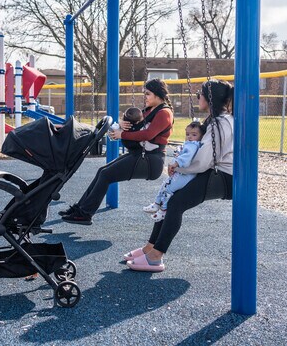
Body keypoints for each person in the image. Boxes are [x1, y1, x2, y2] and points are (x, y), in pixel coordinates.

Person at [125, 79, 234, 272]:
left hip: (224, 177)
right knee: (170, 200)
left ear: (209, 98)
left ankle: (156, 257)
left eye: (199, 93)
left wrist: (180, 167)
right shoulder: (216, 120)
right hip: (215, 172)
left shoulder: (220, 123)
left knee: (175, 203)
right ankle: (150, 248)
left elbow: (204, 160)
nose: (197, 97)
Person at [59, 79, 174, 225]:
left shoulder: (164, 112)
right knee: (102, 171)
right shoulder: (149, 111)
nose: (145, 97)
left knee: (106, 175)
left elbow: (148, 135)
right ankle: (80, 209)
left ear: (158, 95)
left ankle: (85, 214)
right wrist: (121, 124)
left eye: (148, 94)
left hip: (150, 160)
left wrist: (122, 135)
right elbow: (135, 126)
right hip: (140, 155)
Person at [143, 121, 204, 222]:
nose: (189, 137)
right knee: (165, 184)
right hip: (182, 172)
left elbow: (187, 157)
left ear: (201, 136)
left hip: (186, 175)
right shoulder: (190, 144)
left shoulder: (193, 145)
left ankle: (163, 211)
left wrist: (176, 162)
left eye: (194, 135)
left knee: (169, 189)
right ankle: (157, 204)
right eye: (187, 134)